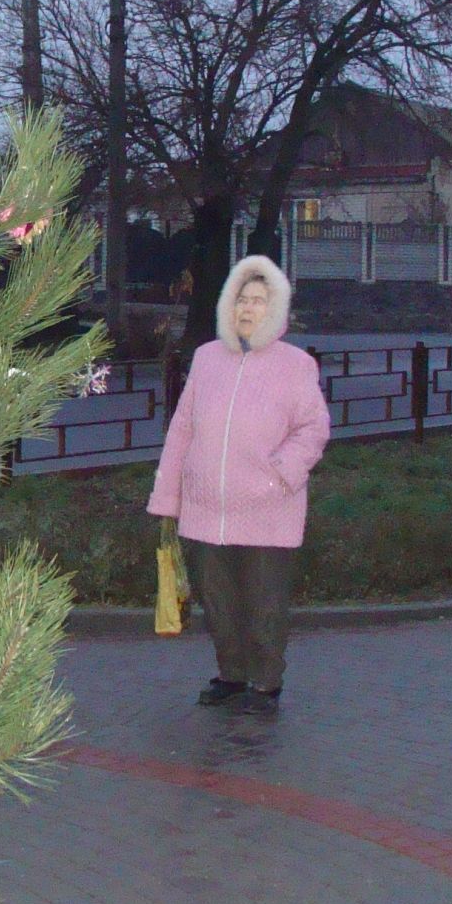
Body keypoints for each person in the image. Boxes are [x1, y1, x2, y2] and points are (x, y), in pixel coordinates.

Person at [148, 255, 332, 713]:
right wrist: (168, 497)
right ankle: (231, 674)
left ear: (276, 309)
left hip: (267, 507)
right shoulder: (207, 358)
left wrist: (281, 474)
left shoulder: (295, 365)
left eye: (259, 301)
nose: (248, 309)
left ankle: (266, 682)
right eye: (242, 299)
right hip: (206, 508)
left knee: (264, 602)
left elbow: (313, 429)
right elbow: (182, 429)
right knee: (219, 602)